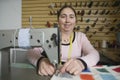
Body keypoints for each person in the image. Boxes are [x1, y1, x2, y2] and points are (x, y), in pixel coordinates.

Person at [27, 5, 100, 76]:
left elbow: (94, 54)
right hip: (51, 74)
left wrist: (81, 63)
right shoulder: (48, 36)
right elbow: (31, 52)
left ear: (75, 21)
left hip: (74, 75)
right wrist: (40, 61)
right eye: (63, 16)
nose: (67, 20)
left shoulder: (80, 37)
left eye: (71, 17)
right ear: (58, 21)